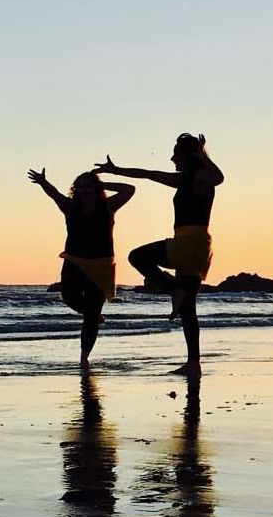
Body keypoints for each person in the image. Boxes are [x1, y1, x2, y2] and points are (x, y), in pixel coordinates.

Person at [93, 133, 224, 376]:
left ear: (188, 155)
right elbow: (147, 174)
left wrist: (201, 152)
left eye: (176, 153)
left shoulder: (201, 179)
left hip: (189, 243)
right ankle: (194, 364)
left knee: (137, 257)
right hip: (196, 247)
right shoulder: (184, 179)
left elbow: (219, 177)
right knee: (188, 309)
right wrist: (116, 170)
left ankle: (173, 289)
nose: (172, 158)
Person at [28, 168, 134, 367]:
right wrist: (43, 182)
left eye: (89, 186)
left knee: (92, 314)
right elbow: (55, 195)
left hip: (101, 265)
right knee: (69, 296)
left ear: (95, 188)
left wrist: (104, 185)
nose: (85, 190)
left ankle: (84, 357)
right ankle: (92, 314)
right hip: (74, 262)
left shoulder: (108, 206)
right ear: (76, 190)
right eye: (81, 187)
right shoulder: (70, 207)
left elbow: (129, 189)